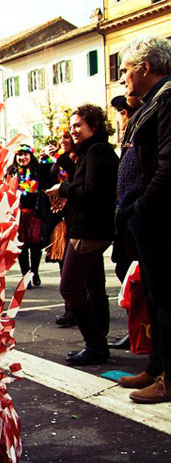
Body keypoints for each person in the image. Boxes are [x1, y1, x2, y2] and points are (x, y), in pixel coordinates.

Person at [114, 37, 171, 402]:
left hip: (160, 219)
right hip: (149, 220)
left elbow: (168, 166)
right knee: (155, 296)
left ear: (146, 68)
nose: (123, 78)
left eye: (126, 70)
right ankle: (156, 366)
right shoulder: (155, 100)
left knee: (167, 300)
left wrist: (141, 209)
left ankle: (169, 377)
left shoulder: (167, 100)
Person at [46, 105, 118, 366]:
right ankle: (99, 339)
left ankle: (95, 344)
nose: (73, 130)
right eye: (72, 125)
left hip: (89, 230)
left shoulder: (97, 152)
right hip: (91, 228)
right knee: (94, 286)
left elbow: (92, 191)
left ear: (94, 126)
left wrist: (63, 189)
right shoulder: (93, 151)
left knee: (70, 288)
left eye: (78, 125)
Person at [109, 95, 142, 351]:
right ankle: (136, 329)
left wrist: (135, 208)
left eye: (123, 110)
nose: (121, 116)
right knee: (125, 271)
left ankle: (141, 332)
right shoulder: (128, 136)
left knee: (135, 276)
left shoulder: (140, 130)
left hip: (136, 214)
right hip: (126, 215)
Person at [43, 127, 77, 327]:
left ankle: (76, 309)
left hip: (73, 217)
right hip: (58, 218)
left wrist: (58, 157)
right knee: (63, 265)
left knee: (73, 268)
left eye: (67, 136)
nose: (63, 140)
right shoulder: (59, 159)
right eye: (61, 137)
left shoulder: (75, 159)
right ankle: (70, 309)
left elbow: (73, 178)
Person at [7, 145, 48, 288]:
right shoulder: (11, 172)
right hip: (18, 214)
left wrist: (49, 156)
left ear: (31, 156)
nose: (22, 158)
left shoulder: (38, 170)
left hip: (34, 214)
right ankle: (25, 275)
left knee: (36, 246)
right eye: (19, 155)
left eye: (25, 155)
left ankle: (34, 272)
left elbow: (51, 171)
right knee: (21, 247)